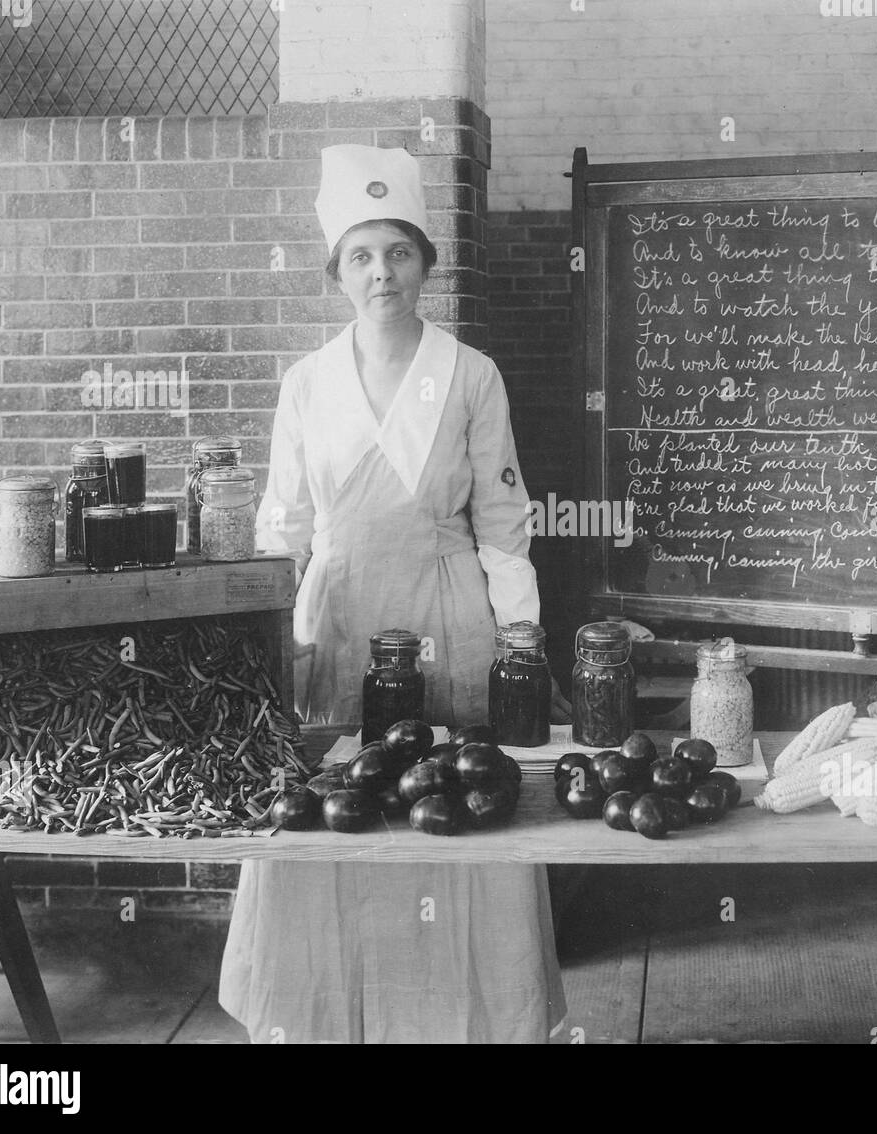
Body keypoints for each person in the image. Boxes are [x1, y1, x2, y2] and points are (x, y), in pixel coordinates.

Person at [218, 145, 567, 1043]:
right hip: (334, 624)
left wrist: (521, 635)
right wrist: (264, 639)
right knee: (335, 806)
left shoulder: (470, 373)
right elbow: (282, 527)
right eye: (364, 255)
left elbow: (501, 519)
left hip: (449, 618)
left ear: (426, 264)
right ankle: (323, 1023)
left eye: (400, 252)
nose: (384, 273)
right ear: (338, 270)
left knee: (454, 806)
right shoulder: (307, 383)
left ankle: (468, 1025)